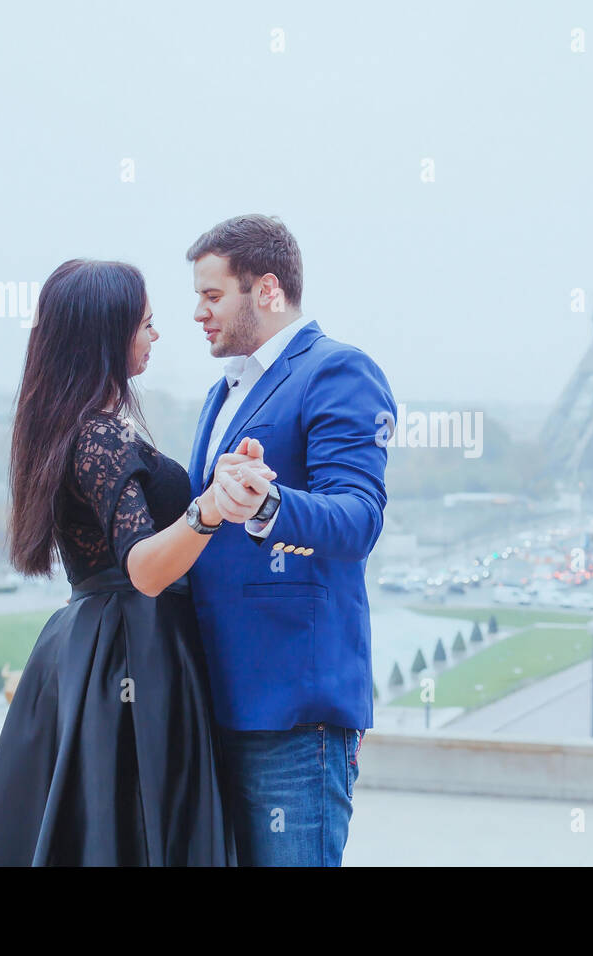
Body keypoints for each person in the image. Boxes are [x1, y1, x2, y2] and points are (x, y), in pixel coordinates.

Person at [0, 258, 277, 866]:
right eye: (146, 325)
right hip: (134, 651)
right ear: (107, 334)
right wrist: (211, 506)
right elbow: (146, 569)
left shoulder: (74, 426)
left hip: (97, 652)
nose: (156, 336)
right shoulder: (98, 434)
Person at [185, 215, 396, 866]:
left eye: (212, 295)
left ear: (267, 290)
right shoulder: (223, 392)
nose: (197, 313)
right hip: (214, 701)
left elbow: (359, 516)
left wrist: (268, 503)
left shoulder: (339, 371)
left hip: (293, 714)